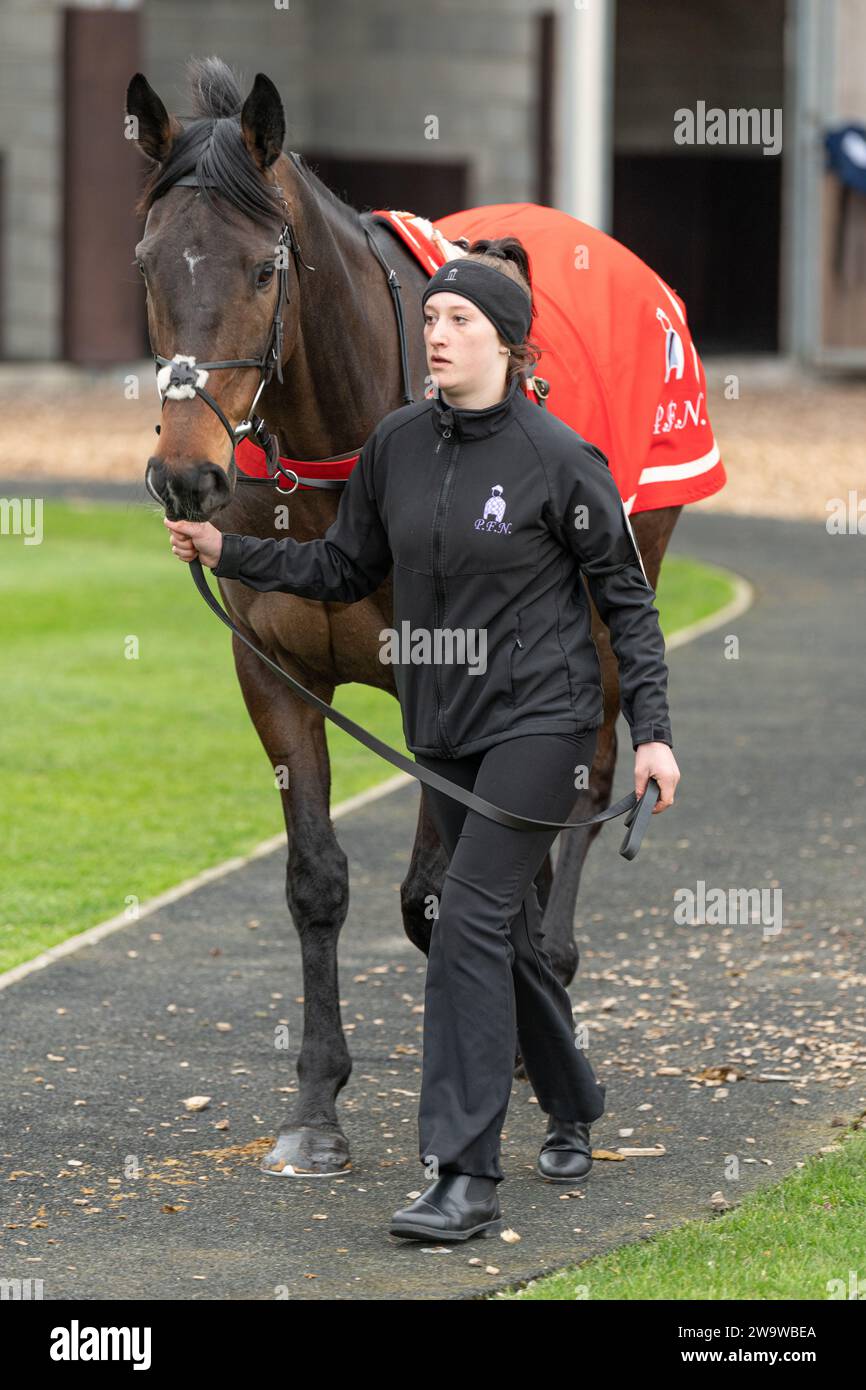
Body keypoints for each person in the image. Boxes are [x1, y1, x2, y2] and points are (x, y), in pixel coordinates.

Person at [165, 237, 681, 1244]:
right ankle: (572, 1097)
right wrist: (229, 549)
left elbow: (625, 603)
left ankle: (461, 1174)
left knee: (462, 921)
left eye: (458, 321)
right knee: (489, 926)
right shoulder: (396, 445)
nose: (434, 334)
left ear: (507, 345)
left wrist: (651, 735)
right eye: (431, 317)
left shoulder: (561, 459)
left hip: (542, 721)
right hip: (442, 725)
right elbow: (338, 565)